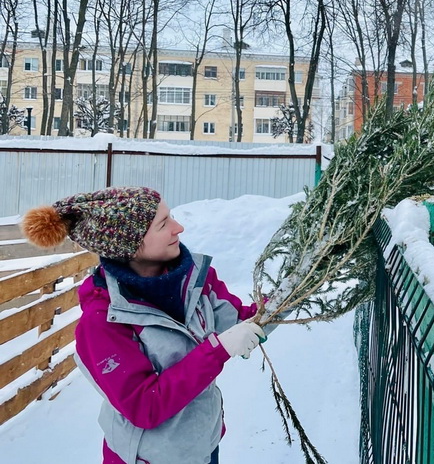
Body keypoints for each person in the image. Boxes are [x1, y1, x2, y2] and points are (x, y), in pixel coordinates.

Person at [21, 186, 265, 464]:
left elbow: (243, 323)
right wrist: (217, 351)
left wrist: (288, 295)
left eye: (171, 216)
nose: (179, 227)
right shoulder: (102, 321)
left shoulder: (196, 280)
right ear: (130, 246)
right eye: (163, 224)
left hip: (204, 446)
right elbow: (144, 405)